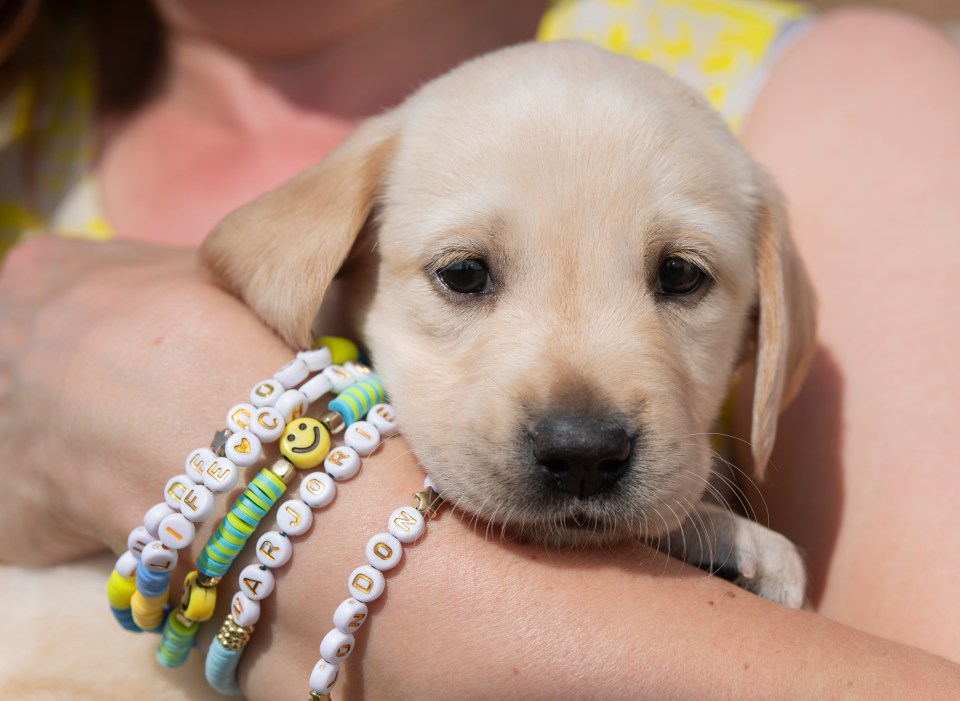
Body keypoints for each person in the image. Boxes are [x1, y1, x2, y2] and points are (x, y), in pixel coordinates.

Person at [2, 0, 959, 697]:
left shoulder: (822, 92)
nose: (583, 425)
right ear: (330, 273)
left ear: (770, 326)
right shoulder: (22, 138)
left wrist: (228, 460)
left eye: (679, 278)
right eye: (466, 275)